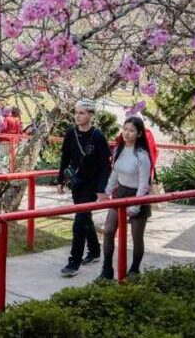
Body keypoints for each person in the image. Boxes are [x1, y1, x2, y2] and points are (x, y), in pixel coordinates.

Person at [57, 99, 111, 277]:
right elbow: (65, 157)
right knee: (85, 218)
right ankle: (95, 251)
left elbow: (105, 165)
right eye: (76, 112)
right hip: (76, 183)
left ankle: (74, 262)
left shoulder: (98, 136)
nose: (77, 116)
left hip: (92, 185)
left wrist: (102, 188)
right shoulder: (71, 133)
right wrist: (60, 180)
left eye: (81, 113)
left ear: (90, 114)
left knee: (79, 222)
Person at [97, 117, 153, 280]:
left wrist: (136, 205)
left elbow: (144, 183)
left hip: (138, 195)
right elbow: (115, 173)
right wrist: (106, 191)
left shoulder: (142, 156)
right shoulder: (118, 150)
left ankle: (134, 270)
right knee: (108, 231)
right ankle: (106, 269)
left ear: (139, 134)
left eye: (131, 131)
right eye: (125, 129)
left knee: (136, 237)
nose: (127, 133)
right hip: (120, 193)